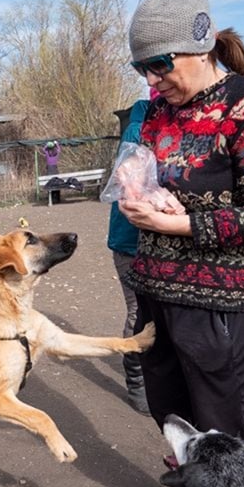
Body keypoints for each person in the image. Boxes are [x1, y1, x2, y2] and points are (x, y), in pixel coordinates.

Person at [120, 0, 244, 487]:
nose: (151, 78)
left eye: (159, 64)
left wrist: (179, 223)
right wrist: (140, 199)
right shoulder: (158, 115)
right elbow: (154, 185)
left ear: (196, 46)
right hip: (157, 298)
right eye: (141, 67)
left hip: (219, 309)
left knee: (228, 435)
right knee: (174, 420)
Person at [108, 98, 152, 415]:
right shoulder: (137, 131)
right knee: (138, 309)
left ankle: (153, 372)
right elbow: (129, 184)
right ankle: (136, 381)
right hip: (130, 242)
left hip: (158, 240)